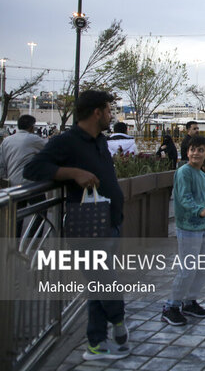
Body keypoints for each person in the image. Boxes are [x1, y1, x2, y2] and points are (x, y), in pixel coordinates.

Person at [24, 90, 130, 360]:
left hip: (111, 221)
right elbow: (33, 169)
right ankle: (118, 323)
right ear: (96, 112)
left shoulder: (99, 141)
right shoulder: (67, 141)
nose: (111, 115)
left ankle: (97, 343)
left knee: (98, 284)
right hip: (89, 227)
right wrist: (73, 173)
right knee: (105, 281)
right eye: (108, 110)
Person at [161, 136, 205, 326]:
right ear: (187, 152)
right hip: (188, 228)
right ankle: (171, 306)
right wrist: (200, 210)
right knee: (187, 269)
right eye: (193, 149)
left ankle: (189, 302)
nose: (196, 153)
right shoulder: (183, 172)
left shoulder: (202, 175)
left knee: (201, 268)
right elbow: (184, 198)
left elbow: (200, 200)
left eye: (200, 150)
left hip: (203, 227)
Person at [0, 114, 46, 236]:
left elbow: (2, 164)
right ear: (32, 127)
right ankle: (33, 239)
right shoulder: (34, 139)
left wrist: (6, 179)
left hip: (13, 184)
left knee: (17, 215)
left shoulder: (7, 141)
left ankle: (15, 241)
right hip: (31, 184)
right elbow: (49, 150)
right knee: (41, 211)